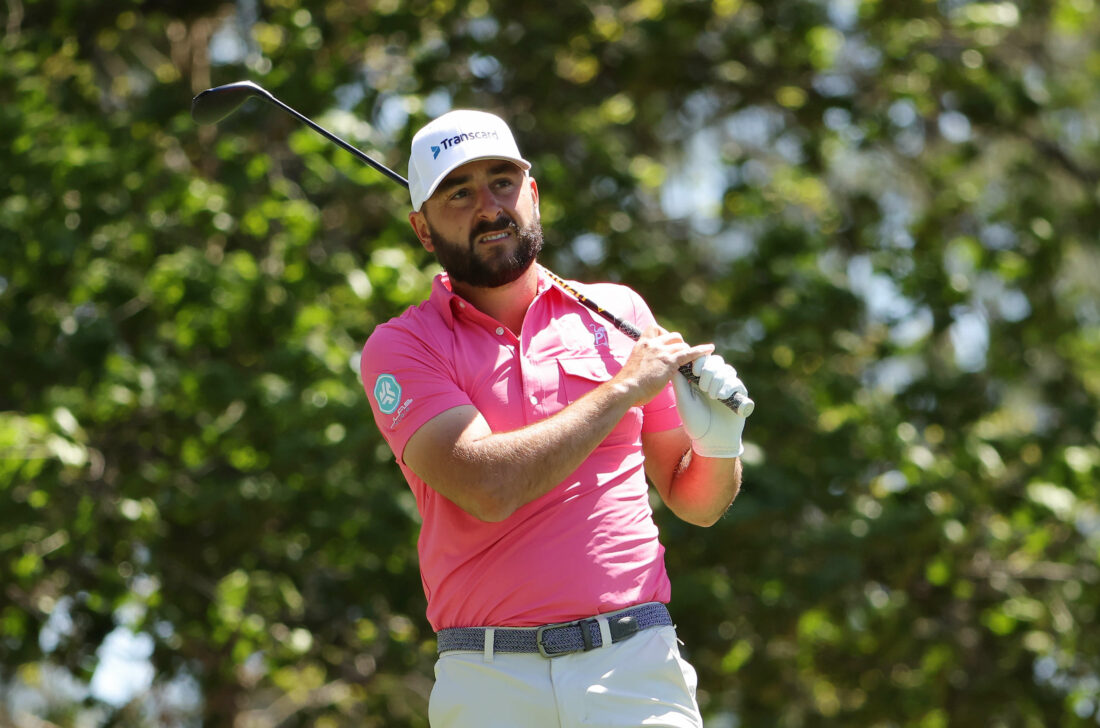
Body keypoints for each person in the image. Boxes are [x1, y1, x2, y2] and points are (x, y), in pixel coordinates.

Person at [359, 108, 751, 727]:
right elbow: (487, 486)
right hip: (490, 681)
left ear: (533, 195)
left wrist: (721, 444)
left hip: (635, 666)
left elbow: (694, 501)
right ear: (423, 229)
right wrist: (622, 391)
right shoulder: (403, 346)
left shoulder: (617, 311)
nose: (489, 207)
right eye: (458, 194)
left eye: (502, 183)